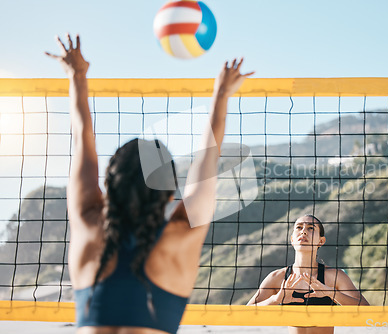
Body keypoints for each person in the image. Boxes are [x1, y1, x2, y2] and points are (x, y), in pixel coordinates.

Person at [46, 34, 254, 334]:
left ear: (108, 183)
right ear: (169, 191)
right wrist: (221, 93)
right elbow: (207, 158)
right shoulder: (182, 234)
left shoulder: (86, 222)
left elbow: (81, 138)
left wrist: (76, 75)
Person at [247, 214, 369, 334]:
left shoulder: (334, 276)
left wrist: (331, 293)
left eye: (311, 228)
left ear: (321, 241)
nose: (304, 231)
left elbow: (366, 311)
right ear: (292, 239)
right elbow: (246, 314)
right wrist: (275, 299)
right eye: (299, 227)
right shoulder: (277, 277)